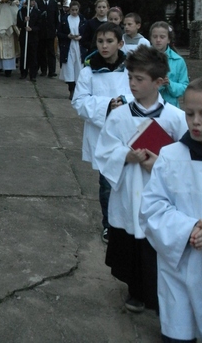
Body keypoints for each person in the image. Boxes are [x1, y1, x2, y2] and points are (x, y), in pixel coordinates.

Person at [94, 45, 187, 313]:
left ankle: (159, 294)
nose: (132, 84)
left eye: (139, 79)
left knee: (157, 244)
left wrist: (160, 164)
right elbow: (104, 151)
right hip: (129, 189)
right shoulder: (119, 116)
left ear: (159, 82)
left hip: (161, 194)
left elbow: (187, 161)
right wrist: (126, 155)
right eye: (130, 77)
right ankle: (135, 290)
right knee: (132, 245)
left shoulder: (175, 118)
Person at [140, 77, 202, 343]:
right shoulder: (171, 156)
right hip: (178, 268)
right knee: (178, 333)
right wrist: (188, 228)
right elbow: (152, 207)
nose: (195, 122)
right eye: (189, 113)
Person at [72, 22, 132, 242]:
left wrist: (124, 101)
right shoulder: (89, 71)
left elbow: (142, 94)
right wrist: (107, 105)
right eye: (100, 41)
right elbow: (79, 101)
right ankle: (109, 224)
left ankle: (128, 222)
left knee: (129, 182)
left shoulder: (132, 69)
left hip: (128, 133)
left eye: (109, 41)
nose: (104, 46)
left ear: (120, 44)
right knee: (107, 184)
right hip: (103, 135)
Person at [149, 21, 189, 107]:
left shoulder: (178, 61)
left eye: (162, 37)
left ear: (168, 40)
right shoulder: (143, 59)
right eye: (155, 37)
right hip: (147, 107)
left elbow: (184, 87)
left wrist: (169, 84)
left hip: (171, 107)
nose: (158, 40)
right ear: (150, 39)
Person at [57, 0, 87, 100]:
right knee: (69, 69)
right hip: (68, 47)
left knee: (79, 68)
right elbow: (59, 33)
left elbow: (87, 33)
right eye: (72, 10)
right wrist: (67, 36)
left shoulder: (83, 19)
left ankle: (78, 91)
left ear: (79, 10)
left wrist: (81, 37)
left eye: (76, 10)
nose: (74, 12)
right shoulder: (65, 19)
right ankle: (71, 90)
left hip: (79, 47)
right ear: (69, 9)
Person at [17, 0, 41, 82]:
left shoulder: (37, 12)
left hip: (33, 37)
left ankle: (33, 74)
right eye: (31, 0)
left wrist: (32, 29)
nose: (33, 2)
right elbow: (18, 23)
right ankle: (23, 72)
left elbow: (40, 25)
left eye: (34, 0)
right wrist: (24, 21)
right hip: (24, 36)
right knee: (24, 55)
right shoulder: (21, 11)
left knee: (33, 56)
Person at [37, 0, 59, 77]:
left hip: (51, 32)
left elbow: (56, 17)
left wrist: (56, 29)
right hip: (41, 31)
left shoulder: (53, 3)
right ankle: (43, 70)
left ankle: (52, 71)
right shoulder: (38, 3)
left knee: (51, 52)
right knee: (42, 52)